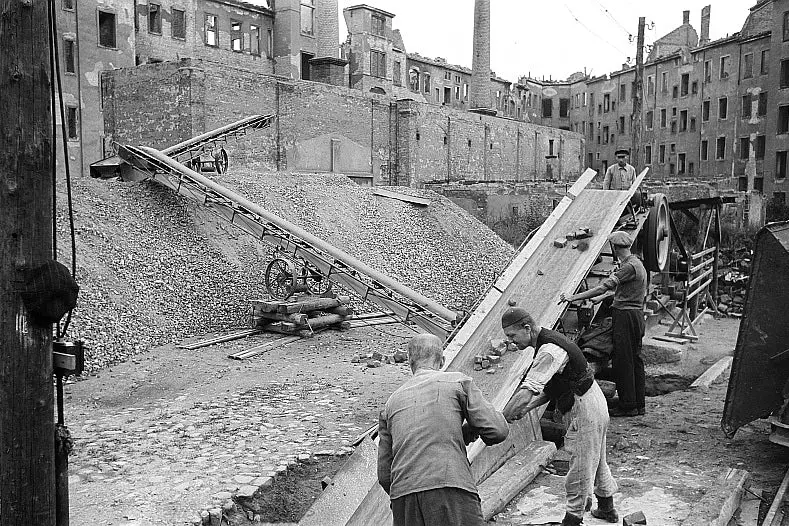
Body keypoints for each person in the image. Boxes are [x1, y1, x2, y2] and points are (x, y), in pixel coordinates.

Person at [501, 307, 618, 526]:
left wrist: (501, 417)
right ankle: (606, 508)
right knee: (597, 459)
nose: (511, 342)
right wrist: (526, 409)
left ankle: (573, 520)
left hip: (584, 408)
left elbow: (529, 389)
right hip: (592, 400)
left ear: (527, 328)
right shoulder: (547, 340)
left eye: (512, 336)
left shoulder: (549, 350)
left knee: (581, 464)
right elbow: (551, 388)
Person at [377, 334, 509, 526]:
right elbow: (497, 430)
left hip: (403, 497)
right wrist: (469, 429)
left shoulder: (390, 404)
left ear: (409, 361)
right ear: (443, 360)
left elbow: (384, 475)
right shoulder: (458, 382)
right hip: (450, 486)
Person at [560, 231, 647, 417]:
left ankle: (628, 406)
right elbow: (615, 292)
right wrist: (597, 299)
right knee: (635, 360)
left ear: (615, 248)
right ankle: (639, 404)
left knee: (623, 361)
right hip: (636, 315)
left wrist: (572, 297)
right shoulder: (637, 263)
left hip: (625, 317)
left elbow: (603, 286)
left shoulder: (628, 267)